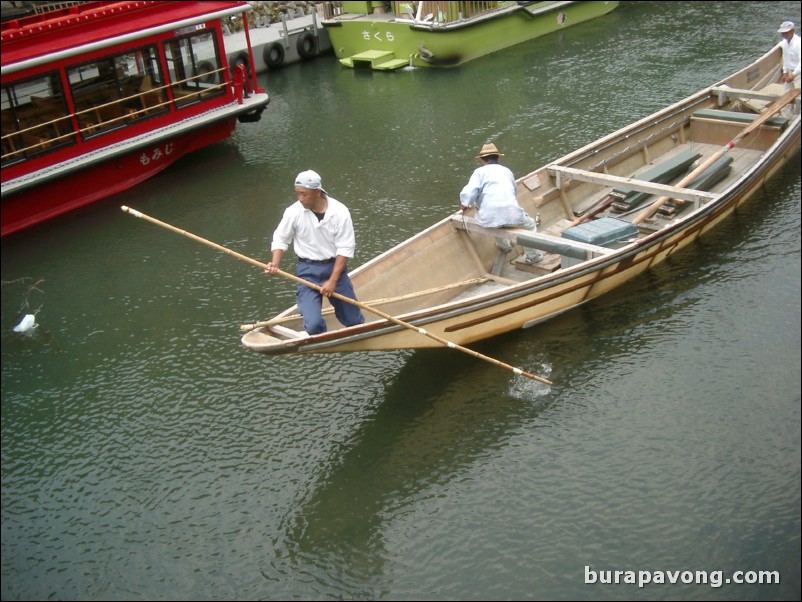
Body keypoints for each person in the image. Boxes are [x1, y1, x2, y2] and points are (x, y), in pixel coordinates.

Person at [265, 170, 365, 335]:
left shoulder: (340, 212)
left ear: (318, 192)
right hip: (307, 271)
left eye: (304, 194)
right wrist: (275, 263)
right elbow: (281, 238)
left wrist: (332, 280)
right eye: (297, 194)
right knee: (313, 327)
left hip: (334, 270)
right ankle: (320, 336)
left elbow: (345, 249)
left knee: (355, 322)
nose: (300, 199)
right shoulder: (293, 212)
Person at [459, 142, 542, 263]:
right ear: (497, 157)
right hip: (513, 216)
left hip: (488, 220)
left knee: (494, 219)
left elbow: (470, 192)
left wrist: (464, 205)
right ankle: (533, 256)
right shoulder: (507, 171)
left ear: (482, 159)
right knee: (530, 225)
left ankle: (505, 247)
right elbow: (514, 192)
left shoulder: (478, 173)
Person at [778, 20, 800, 116]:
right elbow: (785, 58)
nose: (784, 35)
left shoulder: (799, 43)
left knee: (798, 97)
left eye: (786, 32)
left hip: (798, 74)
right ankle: (786, 118)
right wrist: (785, 72)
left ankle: (797, 119)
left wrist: (794, 74)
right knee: (786, 96)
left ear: (792, 31)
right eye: (783, 33)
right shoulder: (784, 43)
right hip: (790, 72)